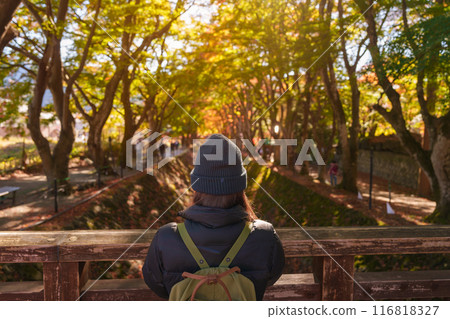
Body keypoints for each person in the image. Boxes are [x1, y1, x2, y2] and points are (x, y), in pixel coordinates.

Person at [142, 134, 285, 300]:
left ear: (196, 186)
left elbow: (156, 283)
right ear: (240, 187)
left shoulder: (166, 237)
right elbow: (271, 277)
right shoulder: (265, 235)